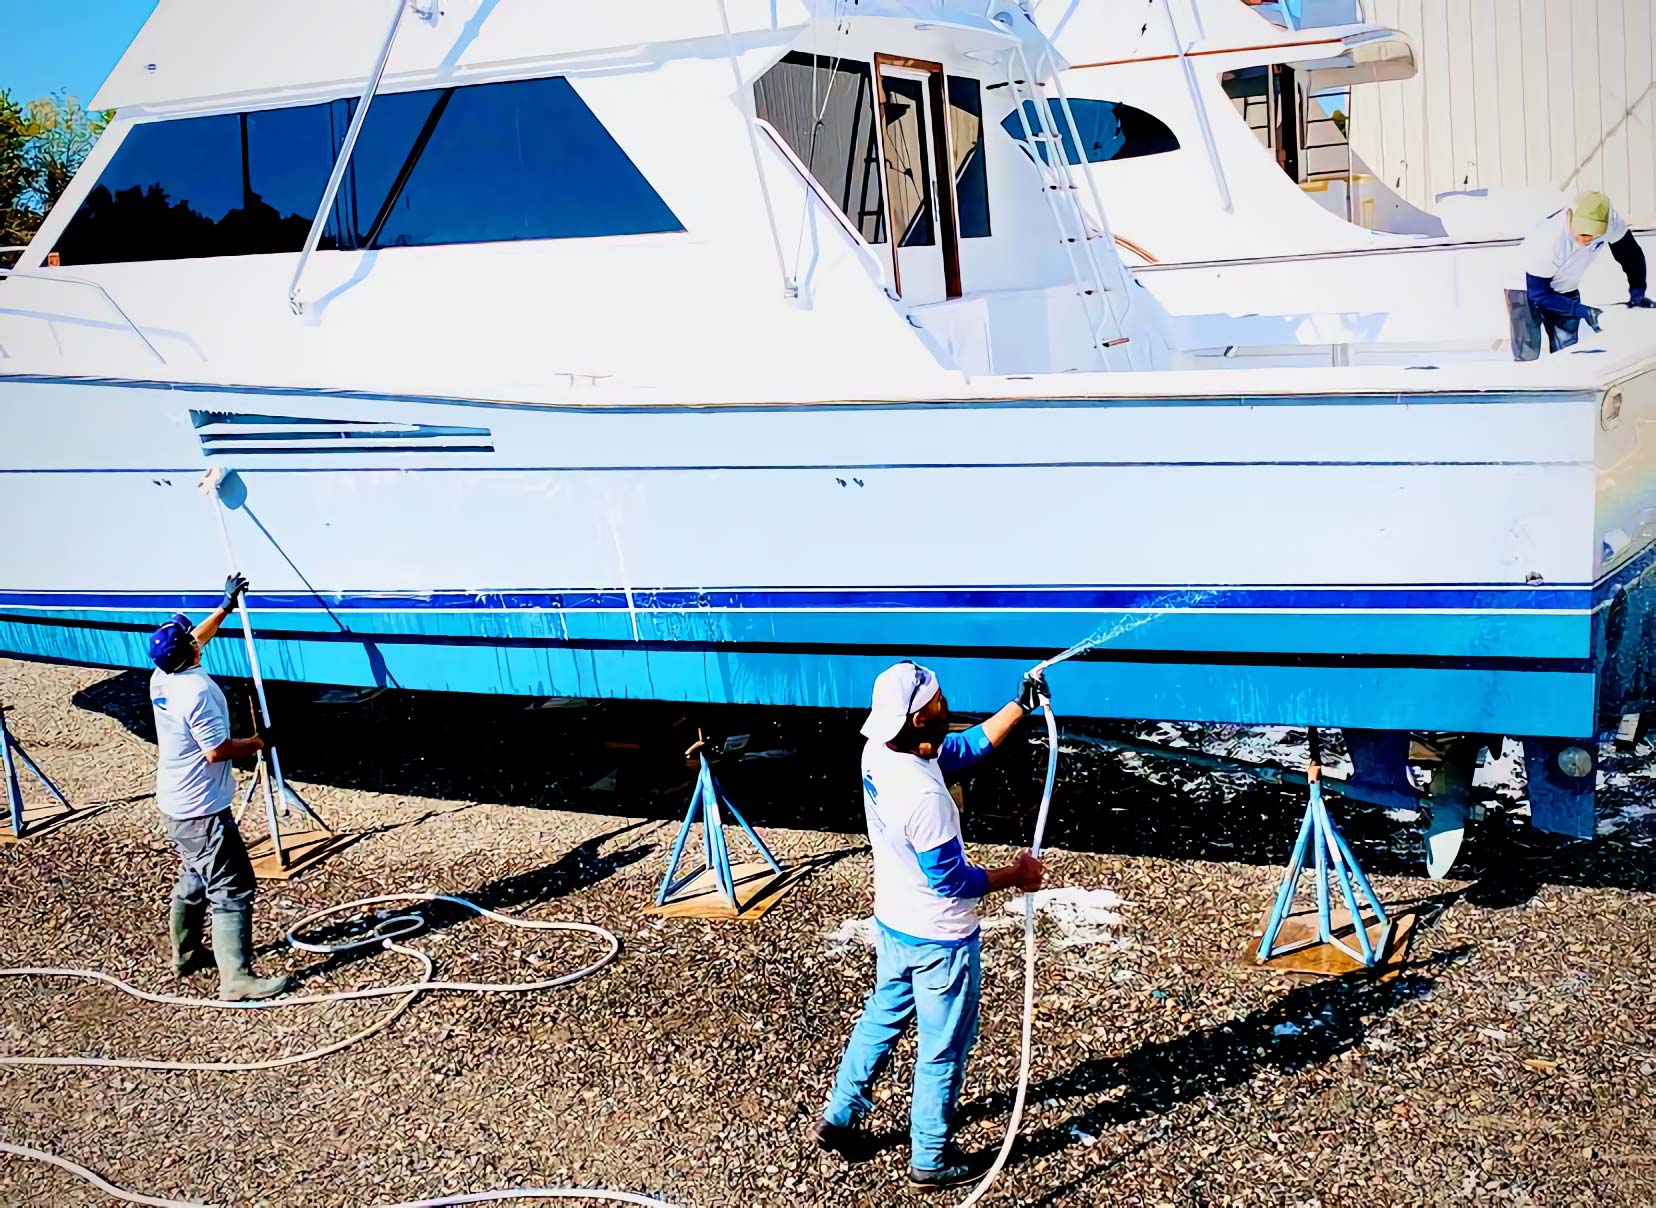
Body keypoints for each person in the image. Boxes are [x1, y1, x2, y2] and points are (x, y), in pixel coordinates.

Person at [812, 660, 1047, 1191]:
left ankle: (841, 1115)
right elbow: (952, 881)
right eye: (938, 700)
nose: (947, 703)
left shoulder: (880, 751)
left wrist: (1019, 706)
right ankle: (931, 1159)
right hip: (940, 938)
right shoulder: (925, 798)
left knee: (881, 1020)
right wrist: (1018, 875)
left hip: (894, 922)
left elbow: (960, 751)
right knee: (942, 1047)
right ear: (919, 719)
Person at [148, 574, 290, 1002]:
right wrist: (261, 741)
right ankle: (237, 980)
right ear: (188, 653)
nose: (195, 637)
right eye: (188, 637)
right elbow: (217, 751)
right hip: (202, 810)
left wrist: (225, 606)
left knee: (195, 876)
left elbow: (195, 638)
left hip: (175, 804)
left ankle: (186, 957)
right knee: (232, 886)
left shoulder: (163, 677)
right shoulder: (198, 692)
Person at [1521, 190, 1655, 354]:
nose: (1586, 239)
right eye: (1583, 233)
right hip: (1524, 288)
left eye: (1593, 235)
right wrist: (1582, 310)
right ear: (1571, 217)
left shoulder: (1610, 221)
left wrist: (1637, 291)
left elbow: (1631, 256)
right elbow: (1538, 294)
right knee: (1528, 351)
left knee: (1568, 352)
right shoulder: (1550, 239)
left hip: (1565, 287)